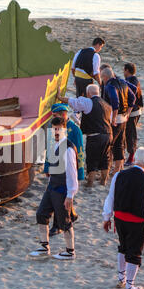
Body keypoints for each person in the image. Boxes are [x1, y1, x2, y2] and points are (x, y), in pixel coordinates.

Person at [102, 147, 144, 289]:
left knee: (123, 247)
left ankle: (121, 277)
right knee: (134, 252)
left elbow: (111, 197)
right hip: (137, 222)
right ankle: (129, 285)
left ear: (134, 160)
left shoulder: (119, 175)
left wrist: (106, 217)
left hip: (119, 219)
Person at [30, 117, 79, 260]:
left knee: (65, 220)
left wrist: (70, 195)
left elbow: (72, 173)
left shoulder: (69, 148)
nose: (56, 132)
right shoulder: (55, 145)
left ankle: (70, 251)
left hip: (63, 189)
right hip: (52, 187)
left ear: (64, 129)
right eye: (54, 129)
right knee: (41, 214)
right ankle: (44, 247)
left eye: (58, 129)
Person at [57, 84, 112, 187]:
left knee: (92, 160)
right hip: (108, 134)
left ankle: (90, 183)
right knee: (105, 158)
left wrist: (60, 97)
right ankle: (103, 181)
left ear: (88, 93)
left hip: (95, 135)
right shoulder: (107, 105)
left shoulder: (88, 102)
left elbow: (73, 102)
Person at [43, 102, 83, 236]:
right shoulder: (52, 127)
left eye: (55, 115)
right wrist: (47, 167)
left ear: (64, 115)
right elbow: (50, 148)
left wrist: (80, 172)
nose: (52, 118)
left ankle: (58, 225)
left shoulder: (74, 130)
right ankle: (72, 214)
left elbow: (79, 151)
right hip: (56, 168)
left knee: (60, 199)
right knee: (57, 197)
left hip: (67, 169)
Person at [101, 67, 136, 174]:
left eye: (102, 78)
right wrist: (128, 112)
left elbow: (115, 102)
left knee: (109, 144)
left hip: (114, 118)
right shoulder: (122, 82)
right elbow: (133, 96)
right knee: (119, 144)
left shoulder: (109, 86)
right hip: (123, 118)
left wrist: (113, 118)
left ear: (105, 77)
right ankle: (117, 170)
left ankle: (107, 170)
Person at [124, 63, 143, 166]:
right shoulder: (131, 80)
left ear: (127, 70)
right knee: (127, 133)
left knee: (130, 134)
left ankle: (131, 157)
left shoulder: (133, 81)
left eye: (124, 70)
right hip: (131, 111)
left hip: (133, 112)